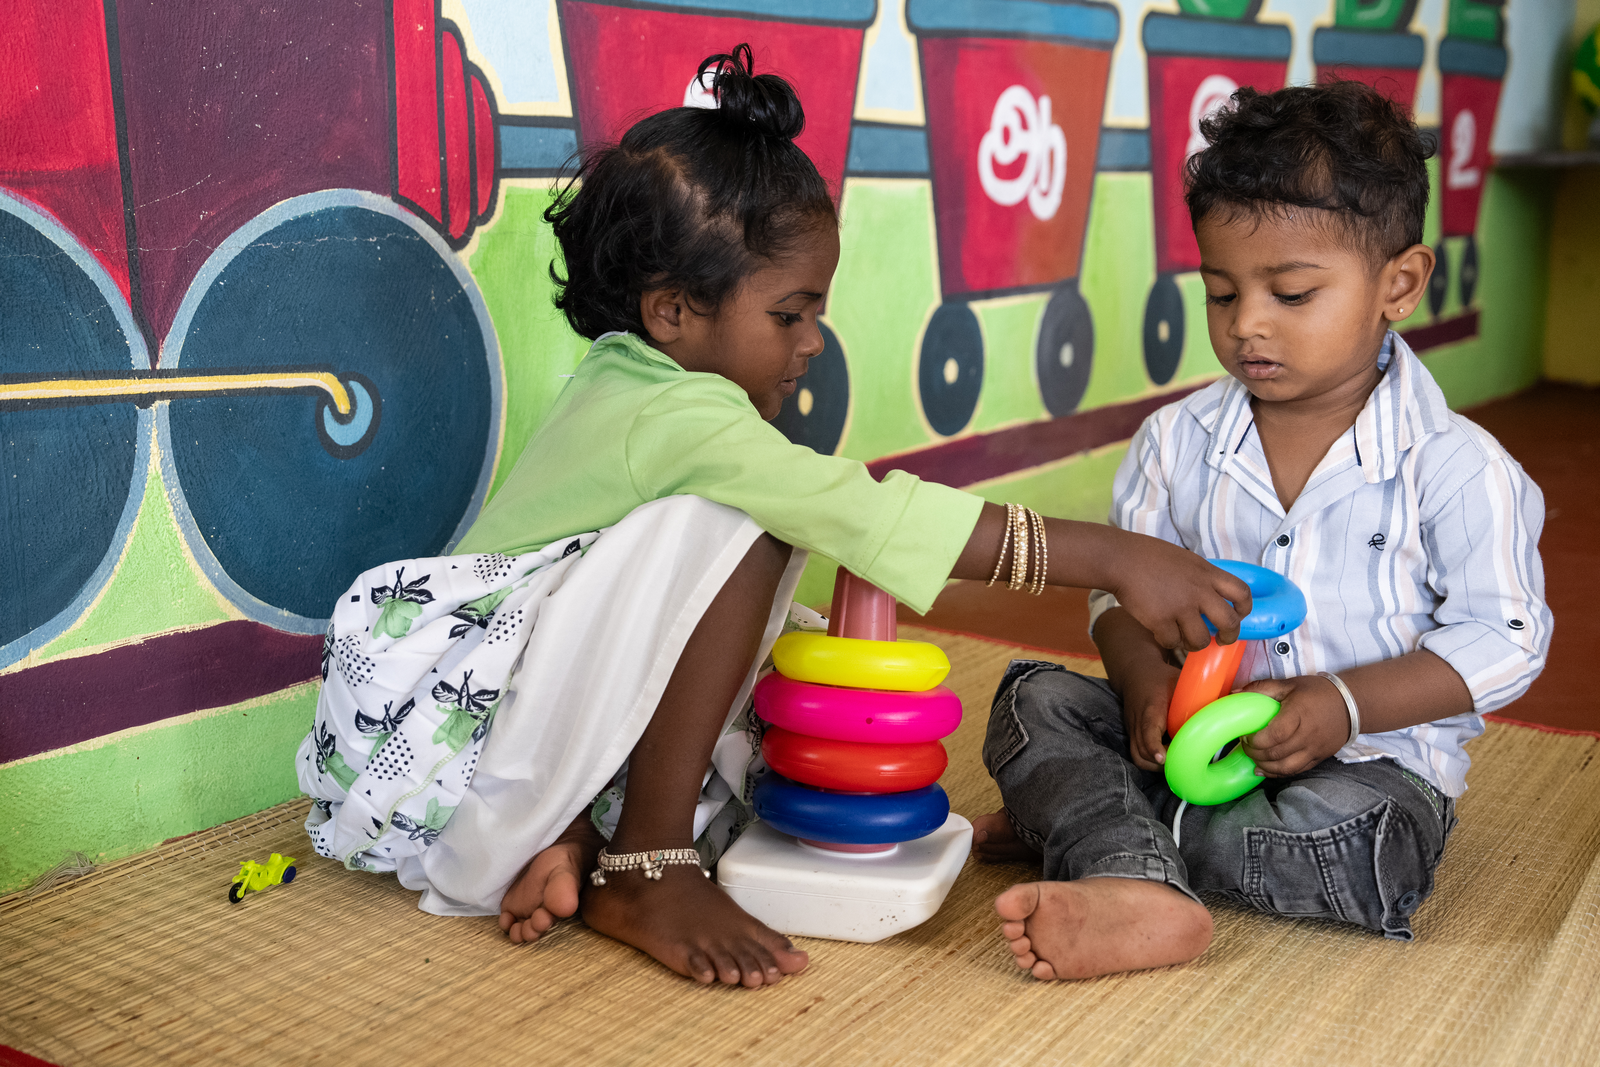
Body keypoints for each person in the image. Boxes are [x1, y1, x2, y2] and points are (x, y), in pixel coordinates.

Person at [298, 45, 1251, 989]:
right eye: (790, 314)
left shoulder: (630, 386)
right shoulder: (681, 416)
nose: (812, 341)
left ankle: (570, 833)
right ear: (673, 311)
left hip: (474, 761)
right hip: (446, 756)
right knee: (753, 521)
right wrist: (1114, 558)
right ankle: (647, 865)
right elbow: (857, 512)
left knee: (779, 653)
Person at [972, 80, 1552, 980]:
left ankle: (1097, 830)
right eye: (1220, 292)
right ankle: (1122, 855)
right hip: (1188, 747)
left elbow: (1506, 640)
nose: (1247, 324)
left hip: (1365, 775)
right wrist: (1138, 677)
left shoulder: (1456, 465)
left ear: (1398, 283)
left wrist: (1344, 703)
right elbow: (1114, 595)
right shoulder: (1176, 440)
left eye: (1291, 292)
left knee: (1353, 847)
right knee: (1029, 701)